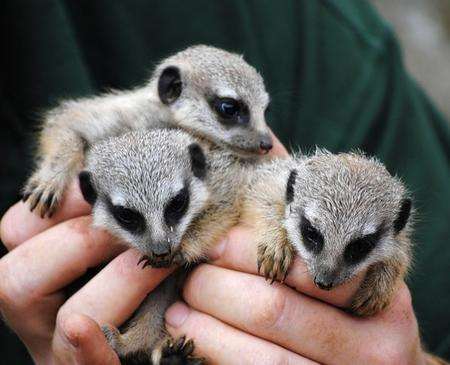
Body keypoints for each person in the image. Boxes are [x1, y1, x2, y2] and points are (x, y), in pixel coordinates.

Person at [1, 1, 449, 364]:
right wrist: (56, 169)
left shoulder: (298, 25)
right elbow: (69, 127)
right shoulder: (129, 117)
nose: (259, 138)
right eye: (231, 113)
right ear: (172, 91)